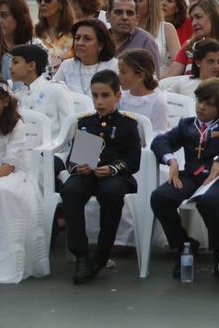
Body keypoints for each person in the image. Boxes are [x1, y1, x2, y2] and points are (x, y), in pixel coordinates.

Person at [150, 78, 219, 279]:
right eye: (200, 101)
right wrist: (171, 160)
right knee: (160, 197)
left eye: (209, 104)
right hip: (192, 177)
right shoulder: (186, 125)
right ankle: (183, 244)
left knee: (209, 202)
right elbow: (161, 141)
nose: (201, 107)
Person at [59, 70, 142, 284]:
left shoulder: (127, 124)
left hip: (115, 176)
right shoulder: (86, 123)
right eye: (95, 96)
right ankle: (81, 255)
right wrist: (79, 167)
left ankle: (102, 254)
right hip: (89, 175)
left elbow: (133, 161)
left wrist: (113, 169)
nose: (99, 101)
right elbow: (72, 161)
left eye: (105, 96)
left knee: (111, 192)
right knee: (70, 190)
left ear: (117, 96)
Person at [0, 76, 49, 283]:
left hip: (7, 173)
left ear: (5, 102)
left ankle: (4, 257)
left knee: (1, 191)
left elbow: (10, 164)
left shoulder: (15, 125)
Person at [9, 42, 73, 133]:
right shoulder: (17, 96)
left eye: (15, 62)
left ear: (31, 65)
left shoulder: (56, 90)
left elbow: (69, 127)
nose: (10, 67)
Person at [51, 18, 119, 95]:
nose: (80, 43)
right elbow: (53, 93)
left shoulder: (114, 66)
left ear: (101, 44)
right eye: (77, 38)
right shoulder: (67, 65)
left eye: (87, 39)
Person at [116, 49, 169, 133]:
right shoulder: (120, 96)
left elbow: (159, 133)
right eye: (119, 72)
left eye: (123, 72)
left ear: (140, 76)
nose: (119, 76)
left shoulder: (158, 101)